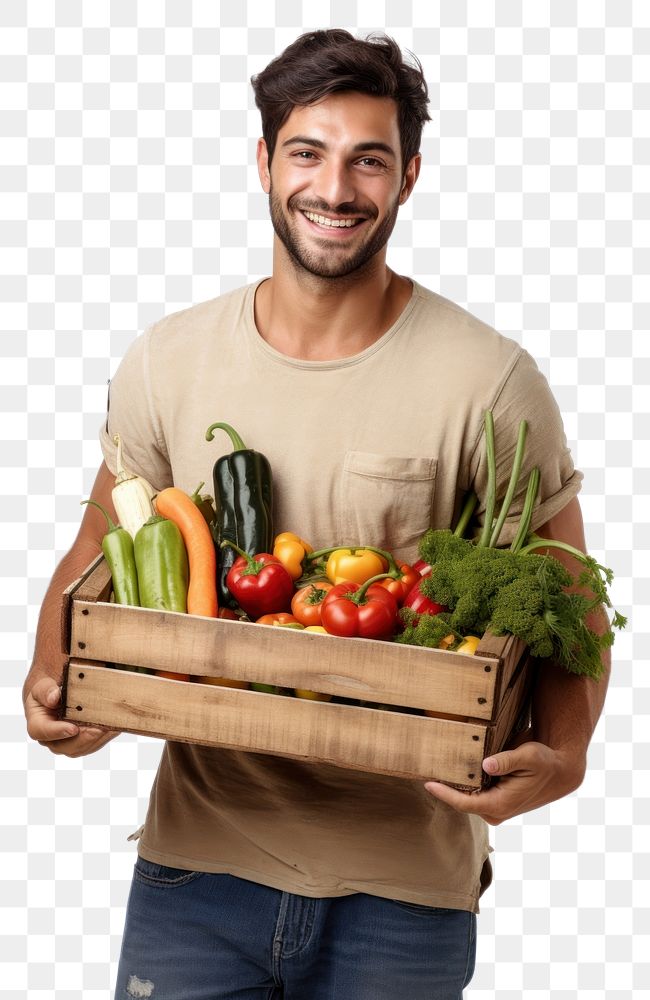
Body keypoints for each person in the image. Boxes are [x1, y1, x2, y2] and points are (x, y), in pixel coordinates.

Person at [24, 29, 610, 999]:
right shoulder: (167, 361)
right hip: (195, 867)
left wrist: (568, 755)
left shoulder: (488, 379)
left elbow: (564, 591)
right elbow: (99, 545)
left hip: (405, 883)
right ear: (262, 162)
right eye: (306, 152)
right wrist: (57, 683)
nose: (333, 189)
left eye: (366, 160)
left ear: (407, 177)